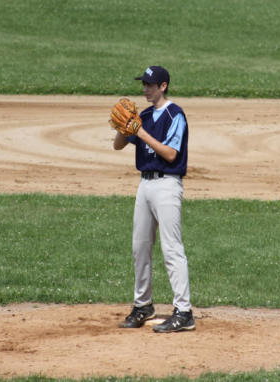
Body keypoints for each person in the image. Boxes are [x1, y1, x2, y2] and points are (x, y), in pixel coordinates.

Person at [113, 66, 195, 333]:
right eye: (143, 84)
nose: (145, 89)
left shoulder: (175, 115)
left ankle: (184, 312)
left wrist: (140, 131)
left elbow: (171, 154)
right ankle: (143, 305)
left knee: (171, 249)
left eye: (150, 85)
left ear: (163, 86)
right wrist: (123, 127)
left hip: (167, 185)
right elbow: (118, 145)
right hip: (145, 186)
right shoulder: (144, 115)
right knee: (140, 247)